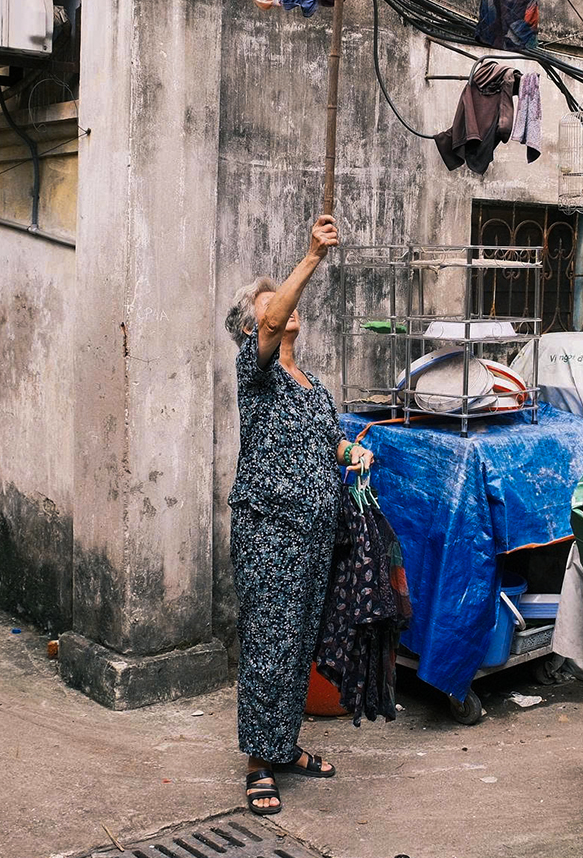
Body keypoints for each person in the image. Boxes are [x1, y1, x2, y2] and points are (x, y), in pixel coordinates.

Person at [223, 213, 373, 816]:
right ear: (256, 325)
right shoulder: (253, 372)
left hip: (313, 532)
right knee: (268, 641)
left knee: (299, 642)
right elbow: (269, 316)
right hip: (268, 531)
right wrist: (311, 257)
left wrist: (349, 450)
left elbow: (323, 439)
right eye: (271, 308)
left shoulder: (309, 382)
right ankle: (260, 762)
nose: (284, 313)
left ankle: (283, 746)